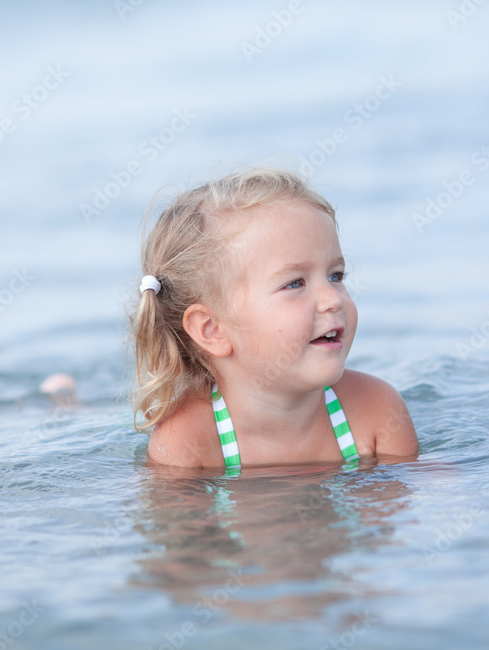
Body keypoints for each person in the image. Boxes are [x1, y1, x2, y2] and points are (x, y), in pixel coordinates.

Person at [130, 167, 418, 473]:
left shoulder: (376, 412)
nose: (334, 299)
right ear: (213, 330)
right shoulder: (186, 443)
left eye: (336, 276)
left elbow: (401, 511)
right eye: (295, 283)